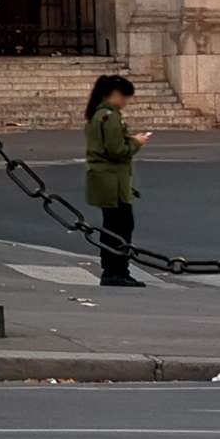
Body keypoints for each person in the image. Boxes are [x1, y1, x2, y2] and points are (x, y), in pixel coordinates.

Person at [82, 71, 142, 286]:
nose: (126, 101)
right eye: (125, 96)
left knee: (113, 225)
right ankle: (116, 270)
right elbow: (116, 150)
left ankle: (114, 269)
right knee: (120, 226)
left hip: (105, 179)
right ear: (115, 94)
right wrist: (136, 143)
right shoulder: (109, 116)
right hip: (112, 180)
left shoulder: (98, 114)